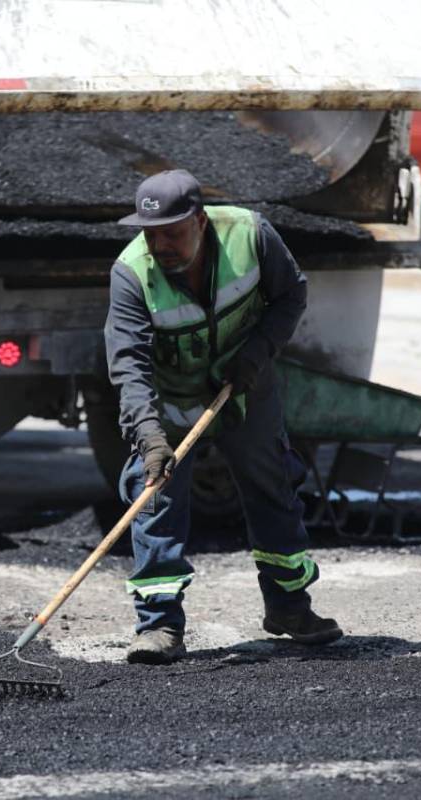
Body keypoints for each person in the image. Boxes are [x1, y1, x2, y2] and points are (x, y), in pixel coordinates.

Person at [103, 169, 342, 664]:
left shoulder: (251, 236)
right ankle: (159, 626)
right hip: (169, 401)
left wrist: (256, 353)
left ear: (201, 222)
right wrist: (149, 438)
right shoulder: (131, 274)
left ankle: (290, 609)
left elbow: (290, 295)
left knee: (273, 486)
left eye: (172, 231)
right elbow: (128, 365)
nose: (160, 244)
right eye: (150, 233)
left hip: (242, 388)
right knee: (154, 499)